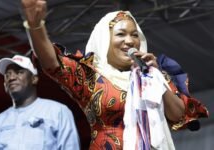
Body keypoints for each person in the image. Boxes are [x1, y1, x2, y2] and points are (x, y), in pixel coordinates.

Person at [20, 0, 208, 149]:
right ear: (105, 41)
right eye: (121, 35)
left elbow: (177, 115)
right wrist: (35, 26)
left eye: (135, 35)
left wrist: (156, 76)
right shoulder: (90, 76)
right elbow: (51, 62)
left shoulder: (153, 77)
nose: (130, 41)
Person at [0, 55, 80, 150]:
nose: (11, 78)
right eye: (7, 75)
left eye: (19, 72)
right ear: (4, 85)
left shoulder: (58, 111)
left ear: (34, 79)